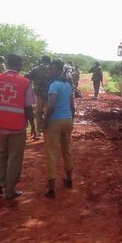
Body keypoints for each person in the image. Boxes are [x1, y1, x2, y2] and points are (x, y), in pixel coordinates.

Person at [0, 53, 37, 199]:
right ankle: (10, 191)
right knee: (15, 157)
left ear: (7, 64)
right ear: (20, 65)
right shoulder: (25, 82)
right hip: (16, 126)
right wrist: (33, 125)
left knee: (2, 153)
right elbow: (28, 108)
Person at [43, 59, 75, 199]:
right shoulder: (67, 84)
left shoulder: (54, 86)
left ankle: (51, 189)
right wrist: (71, 119)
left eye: (52, 69)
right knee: (67, 150)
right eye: (49, 69)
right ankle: (69, 179)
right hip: (67, 120)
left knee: (51, 153)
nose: (49, 71)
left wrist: (45, 120)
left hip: (55, 121)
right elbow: (72, 105)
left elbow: (51, 106)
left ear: (59, 70)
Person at [25, 55, 52, 134]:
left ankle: (39, 129)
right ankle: (47, 127)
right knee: (48, 111)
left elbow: (27, 76)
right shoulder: (52, 69)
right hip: (50, 93)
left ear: (41, 60)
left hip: (38, 93)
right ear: (49, 61)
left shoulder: (36, 69)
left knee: (38, 111)